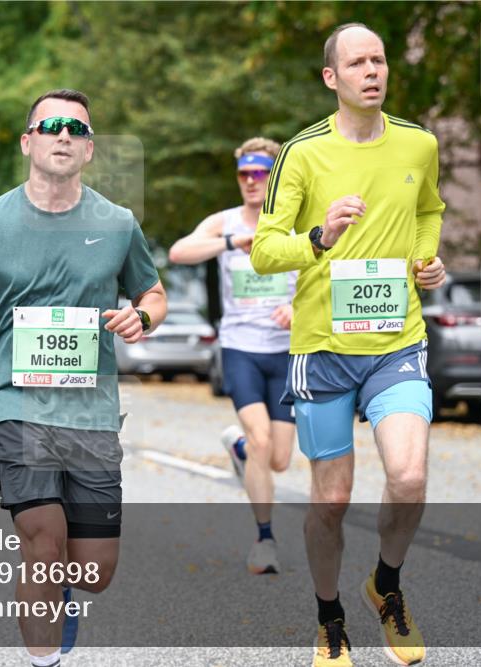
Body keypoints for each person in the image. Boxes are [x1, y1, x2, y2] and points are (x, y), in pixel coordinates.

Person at [0, 89, 167, 667]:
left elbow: (152, 291)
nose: (64, 136)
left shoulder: (117, 223)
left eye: (76, 130)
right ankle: (45, 656)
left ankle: (61, 593)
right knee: (41, 537)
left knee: (94, 571)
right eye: (51, 126)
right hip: (16, 404)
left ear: (89, 150)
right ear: (28, 141)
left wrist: (144, 316)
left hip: (92, 412)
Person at [250, 23, 447, 667]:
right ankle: (330, 618)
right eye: (357, 62)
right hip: (324, 346)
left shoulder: (419, 145)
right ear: (332, 78)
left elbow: (429, 211)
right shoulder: (302, 154)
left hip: (398, 340)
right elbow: (263, 251)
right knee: (330, 501)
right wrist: (320, 236)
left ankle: (385, 587)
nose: (373, 70)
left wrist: (426, 259)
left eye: (379, 60)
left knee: (410, 474)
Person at [168, 136, 297, 575]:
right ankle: (265, 541)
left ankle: (239, 448)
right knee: (263, 442)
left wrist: (299, 308)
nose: (250, 181)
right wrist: (229, 242)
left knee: (278, 458)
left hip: (285, 353)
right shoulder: (224, 222)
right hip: (241, 348)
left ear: (274, 175)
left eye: (259, 172)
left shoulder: (295, 222)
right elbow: (178, 252)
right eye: (244, 174)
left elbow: (326, 273)